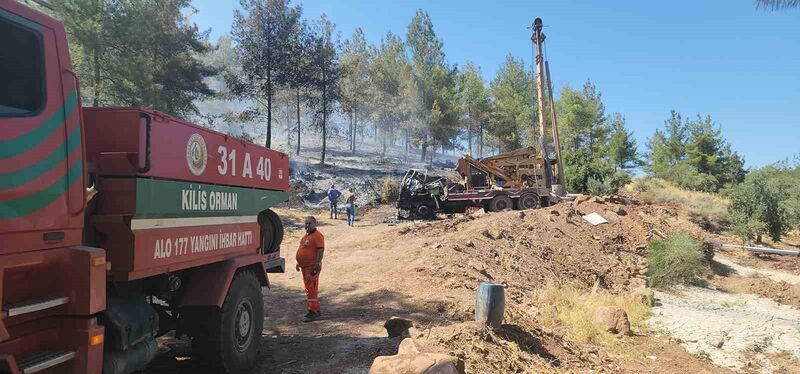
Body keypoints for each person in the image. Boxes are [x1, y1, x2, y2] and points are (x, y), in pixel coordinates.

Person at [296, 216, 325, 322]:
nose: (307, 225)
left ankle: (313, 312)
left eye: (309, 223)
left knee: (311, 290)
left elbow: (320, 251)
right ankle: (315, 310)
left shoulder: (318, 236)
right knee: (309, 289)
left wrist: (317, 265)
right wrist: (298, 262)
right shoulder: (305, 236)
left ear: (315, 224)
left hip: (312, 267)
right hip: (304, 267)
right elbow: (303, 250)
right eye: (306, 223)